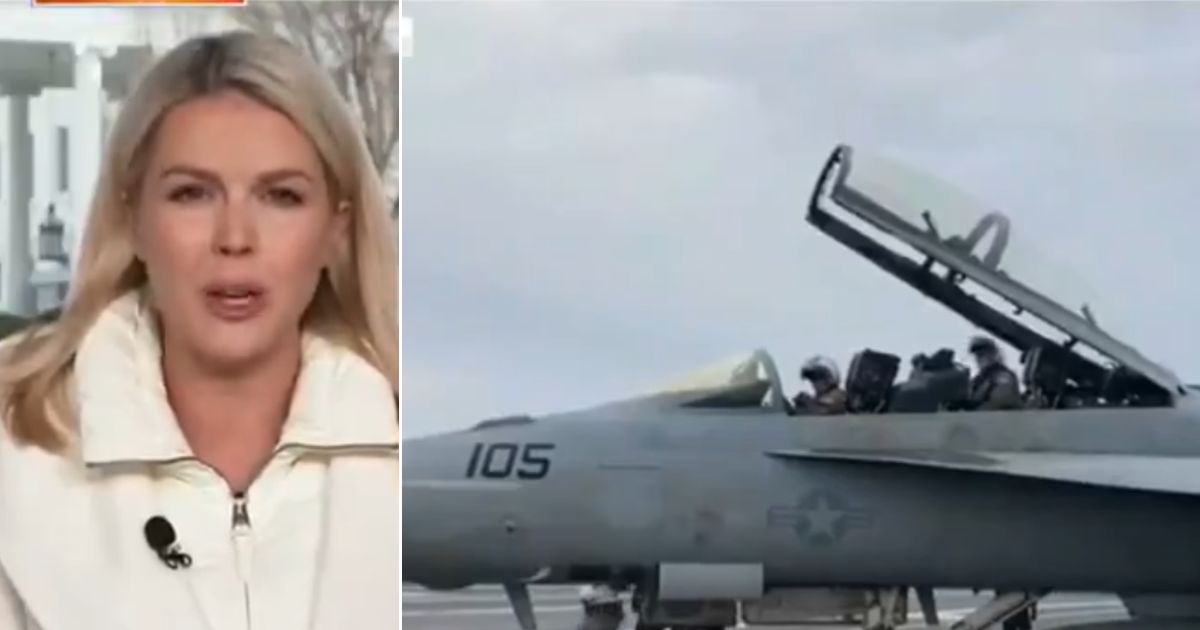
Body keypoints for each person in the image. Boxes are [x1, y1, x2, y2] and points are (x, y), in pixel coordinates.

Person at [0, 32, 398, 629]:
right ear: (132, 218)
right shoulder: (15, 453)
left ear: (335, 231)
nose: (234, 238)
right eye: (192, 193)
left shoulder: (404, 442)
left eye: (281, 196)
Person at [964, 335, 1022, 410]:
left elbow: (1002, 400)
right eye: (977, 355)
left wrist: (975, 413)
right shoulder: (977, 380)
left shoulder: (1003, 376)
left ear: (993, 353)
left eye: (982, 354)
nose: (979, 358)